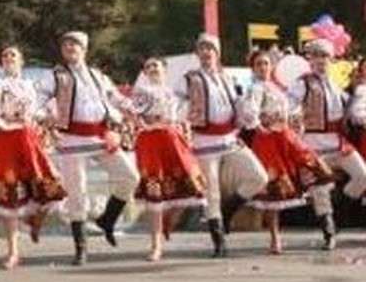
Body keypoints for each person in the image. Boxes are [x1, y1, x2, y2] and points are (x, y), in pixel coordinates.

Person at [45, 30, 138, 266]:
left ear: (84, 49)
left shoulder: (97, 75)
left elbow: (115, 97)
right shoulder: (56, 76)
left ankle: (107, 218)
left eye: (75, 45)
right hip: (72, 139)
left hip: (99, 135)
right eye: (66, 45)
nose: (70, 48)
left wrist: (133, 108)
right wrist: (43, 113)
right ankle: (81, 247)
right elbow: (39, 96)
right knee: (77, 193)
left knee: (129, 176)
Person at [177, 33, 269, 257]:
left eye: (211, 49)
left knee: (259, 177)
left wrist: (249, 112)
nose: (207, 53)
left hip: (229, 138)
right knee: (212, 192)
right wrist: (176, 121)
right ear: (197, 53)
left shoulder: (227, 78)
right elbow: (174, 100)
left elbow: (239, 106)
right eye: (203, 49)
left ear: (217, 54)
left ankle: (229, 209)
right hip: (205, 141)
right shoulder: (189, 78)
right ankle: (218, 239)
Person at [239, 48, 333, 256]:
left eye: (266, 64)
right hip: (268, 141)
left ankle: (319, 197)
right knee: (274, 189)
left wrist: (295, 123)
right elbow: (249, 112)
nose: (263, 68)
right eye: (259, 65)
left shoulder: (277, 88)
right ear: (253, 69)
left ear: (271, 67)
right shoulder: (254, 88)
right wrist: (259, 126)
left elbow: (290, 110)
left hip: (285, 135)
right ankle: (275, 237)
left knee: (311, 162)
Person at [0, 45, 66, 269]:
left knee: (48, 184)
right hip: (5, 140)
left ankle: (35, 218)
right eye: (5, 55)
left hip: (27, 138)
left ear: (22, 61)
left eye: (13, 55)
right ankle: (13, 251)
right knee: (9, 194)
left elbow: (43, 108)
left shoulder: (31, 85)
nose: (9, 58)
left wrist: (50, 117)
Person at [289, 37, 366, 250]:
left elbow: (351, 110)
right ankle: (328, 232)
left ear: (331, 59)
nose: (321, 60)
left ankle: (338, 211)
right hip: (313, 143)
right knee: (320, 190)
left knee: (363, 176)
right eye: (316, 56)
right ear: (309, 59)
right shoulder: (302, 82)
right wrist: (293, 116)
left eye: (325, 56)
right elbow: (290, 104)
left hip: (337, 142)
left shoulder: (334, 84)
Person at [128, 58, 205, 263]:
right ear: (145, 72)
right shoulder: (141, 91)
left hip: (172, 139)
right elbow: (133, 113)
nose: (153, 69)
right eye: (148, 66)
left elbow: (184, 116)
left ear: (164, 70)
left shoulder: (174, 93)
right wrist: (144, 123)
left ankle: (171, 218)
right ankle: (156, 245)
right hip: (150, 141)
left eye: (156, 66)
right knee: (154, 191)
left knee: (191, 184)